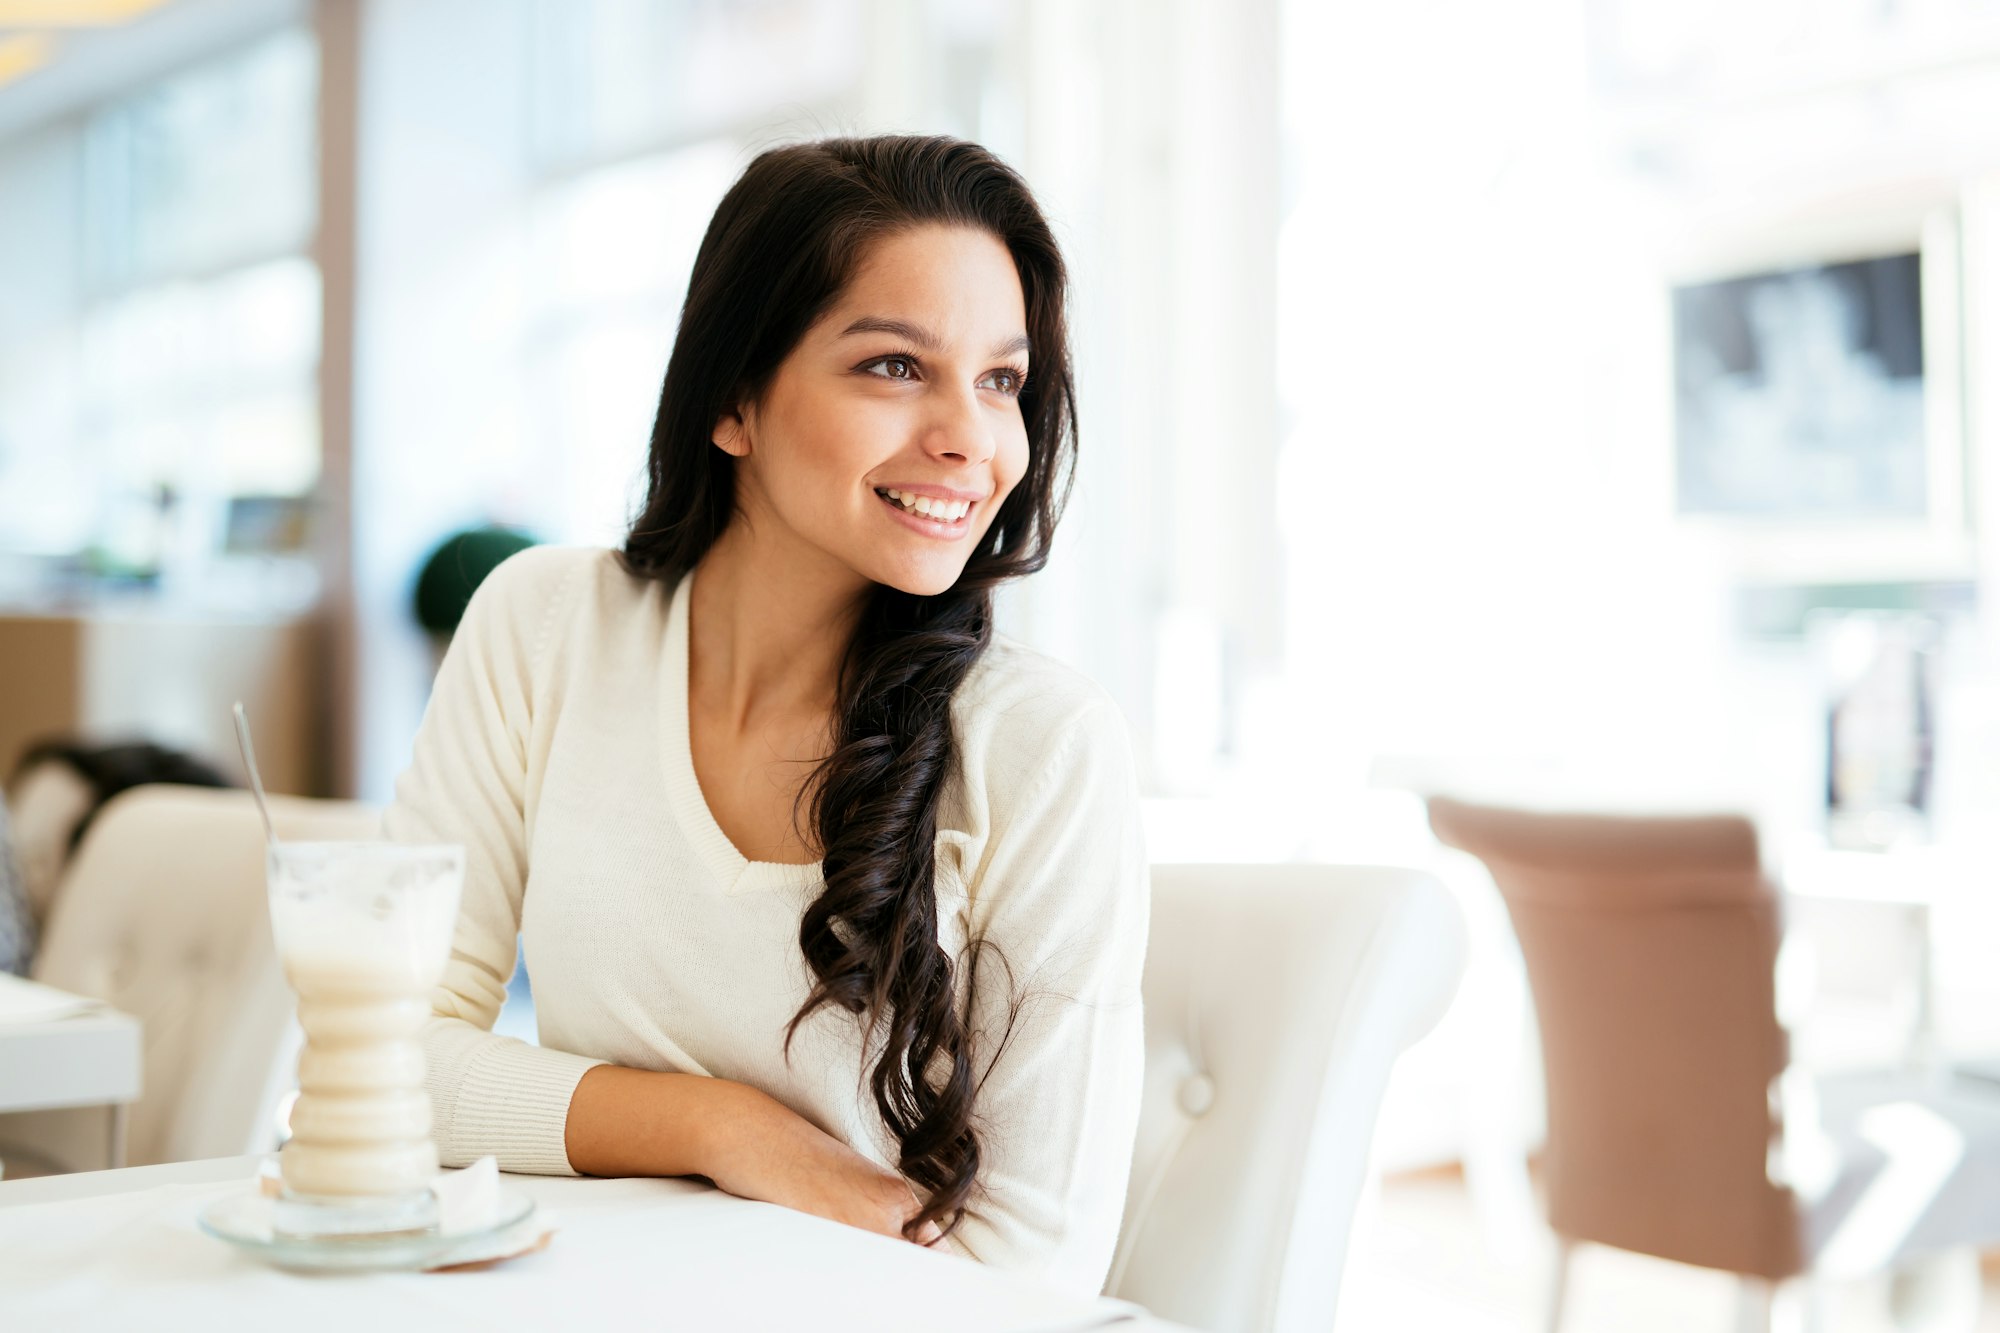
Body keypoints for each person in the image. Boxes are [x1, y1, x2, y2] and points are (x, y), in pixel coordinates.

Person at [383, 135, 1149, 1296]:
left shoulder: (1041, 749)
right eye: (895, 366)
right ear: (733, 397)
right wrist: (721, 1129)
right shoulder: (545, 624)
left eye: (1002, 380)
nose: (969, 436)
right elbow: (385, 1058)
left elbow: (1029, 1273)